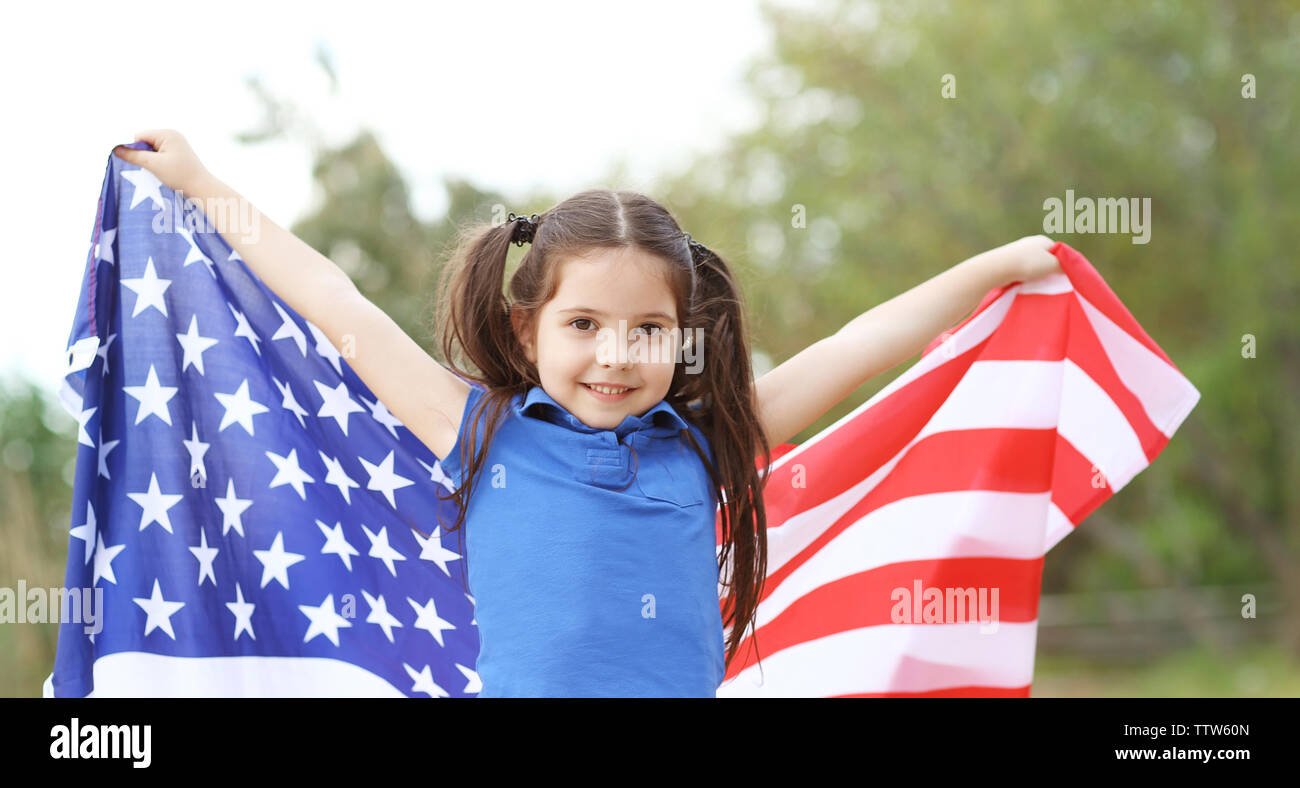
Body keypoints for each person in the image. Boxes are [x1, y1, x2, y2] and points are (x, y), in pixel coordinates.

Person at [112, 129, 1061, 697]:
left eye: (648, 328)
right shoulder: (477, 432)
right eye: (584, 324)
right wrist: (201, 184)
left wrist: (998, 266)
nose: (616, 354)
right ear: (528, 332)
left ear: (684, 335)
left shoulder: (708, 445)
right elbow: (337, 301)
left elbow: (853, 349)